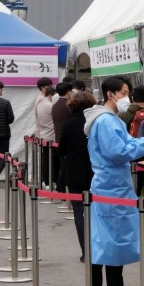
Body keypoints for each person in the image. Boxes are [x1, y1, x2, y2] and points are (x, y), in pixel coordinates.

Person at [83, 75, 144, 286]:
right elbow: (118, 152)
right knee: (115, 239)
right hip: (112, 188)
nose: (127, 98)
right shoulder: (107, 121)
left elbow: (124, 144)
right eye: (123, 93)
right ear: (110, 94)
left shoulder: (107, 119)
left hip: (110, 185)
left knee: (102, 238)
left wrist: (142, 142)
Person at [57, 91, 95, 264]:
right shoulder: (97, 122)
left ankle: (85, 251)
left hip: (75, 172)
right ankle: (98, 248)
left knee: (79, 211)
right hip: (97, 172)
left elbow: (62, 150)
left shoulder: (69, 124)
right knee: (98, 211)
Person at [51, 82, 72, 193]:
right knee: (65, 167)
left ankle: (61, 188)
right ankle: (62, 189)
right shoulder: (68, 106)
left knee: (61, 165)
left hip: (58, 139)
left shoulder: (55, 106)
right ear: (68, 92)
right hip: (67, 141)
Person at [35, 84, 56, 189]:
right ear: (52, 95)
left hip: (43, 135)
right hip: (51, 136)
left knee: (45, 159)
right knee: (50, 161)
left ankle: (45, 180)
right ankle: (48, 181)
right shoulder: (50, 106)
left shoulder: (40, 104)